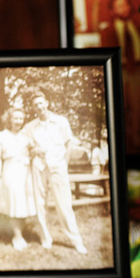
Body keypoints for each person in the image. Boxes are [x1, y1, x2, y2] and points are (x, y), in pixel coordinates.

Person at [22, 91, 87, 254]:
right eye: (36, 105)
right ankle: (46, 238)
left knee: (64, 205)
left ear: (47, 103)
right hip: (39, 168)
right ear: (33, 108)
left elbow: (69, 143)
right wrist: (34, 150)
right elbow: (26, 148)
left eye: (41, 103)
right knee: (40, 205)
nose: (39, 106)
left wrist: (65, 162)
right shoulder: (30, 127)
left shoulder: (60, 121)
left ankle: (75, 240)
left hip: (58, 167)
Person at [100, 0, 140, 149]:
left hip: (138, 69)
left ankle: (137, 136)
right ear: (113, 11)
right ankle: (122, 140)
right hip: (120, 70)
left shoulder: (138, 25)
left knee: (138, 104)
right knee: (121, 104)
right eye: (119, 6)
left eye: (126, 4)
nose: (124, 9)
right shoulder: (108, 31)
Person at [0, 107, 36, 250]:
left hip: (26, 172)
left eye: (21, 118)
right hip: (10, 171)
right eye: (16, 118)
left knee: (23, 204)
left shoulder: (26, 136)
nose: (19, 121)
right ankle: (17, 236)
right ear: (9, 119)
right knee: (14, 204)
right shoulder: (1, 136)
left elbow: (33, 152)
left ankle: (20, 234)